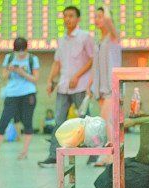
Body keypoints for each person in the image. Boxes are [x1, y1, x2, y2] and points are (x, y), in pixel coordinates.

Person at [38, 5, 94, 167]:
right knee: (59, 120)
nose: (67, 19)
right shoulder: (62, 40)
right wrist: (50, 80)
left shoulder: (85, 37)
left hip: (80, 86)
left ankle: (95, 153)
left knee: (85, 120)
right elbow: (57, 62)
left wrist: (77, 76)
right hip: (63, 86)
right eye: (65, 16)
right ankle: (53, 155)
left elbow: (92, 60)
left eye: (71, 16)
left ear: (78, 19)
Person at [0, 37, 40, 160]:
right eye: (18, 52)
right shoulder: (9, 58)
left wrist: (23, 73)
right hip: (11, 94)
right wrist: (10, 70)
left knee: (27, 122)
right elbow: (4, 76)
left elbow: (36, 79)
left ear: (26, 49)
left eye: (22, 51)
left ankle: (24, 152)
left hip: (28, 94)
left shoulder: (33, 59)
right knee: (3, 122)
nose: (20, 54)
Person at [86, 6, 122, 166]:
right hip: (100, 87)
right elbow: (95, 65)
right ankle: (110, 155)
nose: (97, 19)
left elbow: (108, 20)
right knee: (108, 121)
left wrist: (106, 8)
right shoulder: (98, 41)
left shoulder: (114, 38)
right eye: (96, 16)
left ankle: (109, 155)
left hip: (112, 87)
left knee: (106, 120)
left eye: (100, 16)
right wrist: (89, 84)